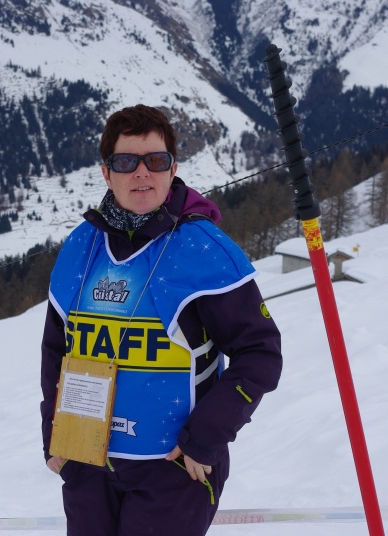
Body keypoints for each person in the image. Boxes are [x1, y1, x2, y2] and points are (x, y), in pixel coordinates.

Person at [40, 104, 283, 535]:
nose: (141, 172)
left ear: (173, 169)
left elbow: (260, 353)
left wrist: (204, 439)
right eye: (125, 162)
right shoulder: (81, 247)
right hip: (86, 461)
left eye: (155, 160)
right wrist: (54, 435)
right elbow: (56, 350)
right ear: (106, 173)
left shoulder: (203, 251)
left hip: (171, 470)